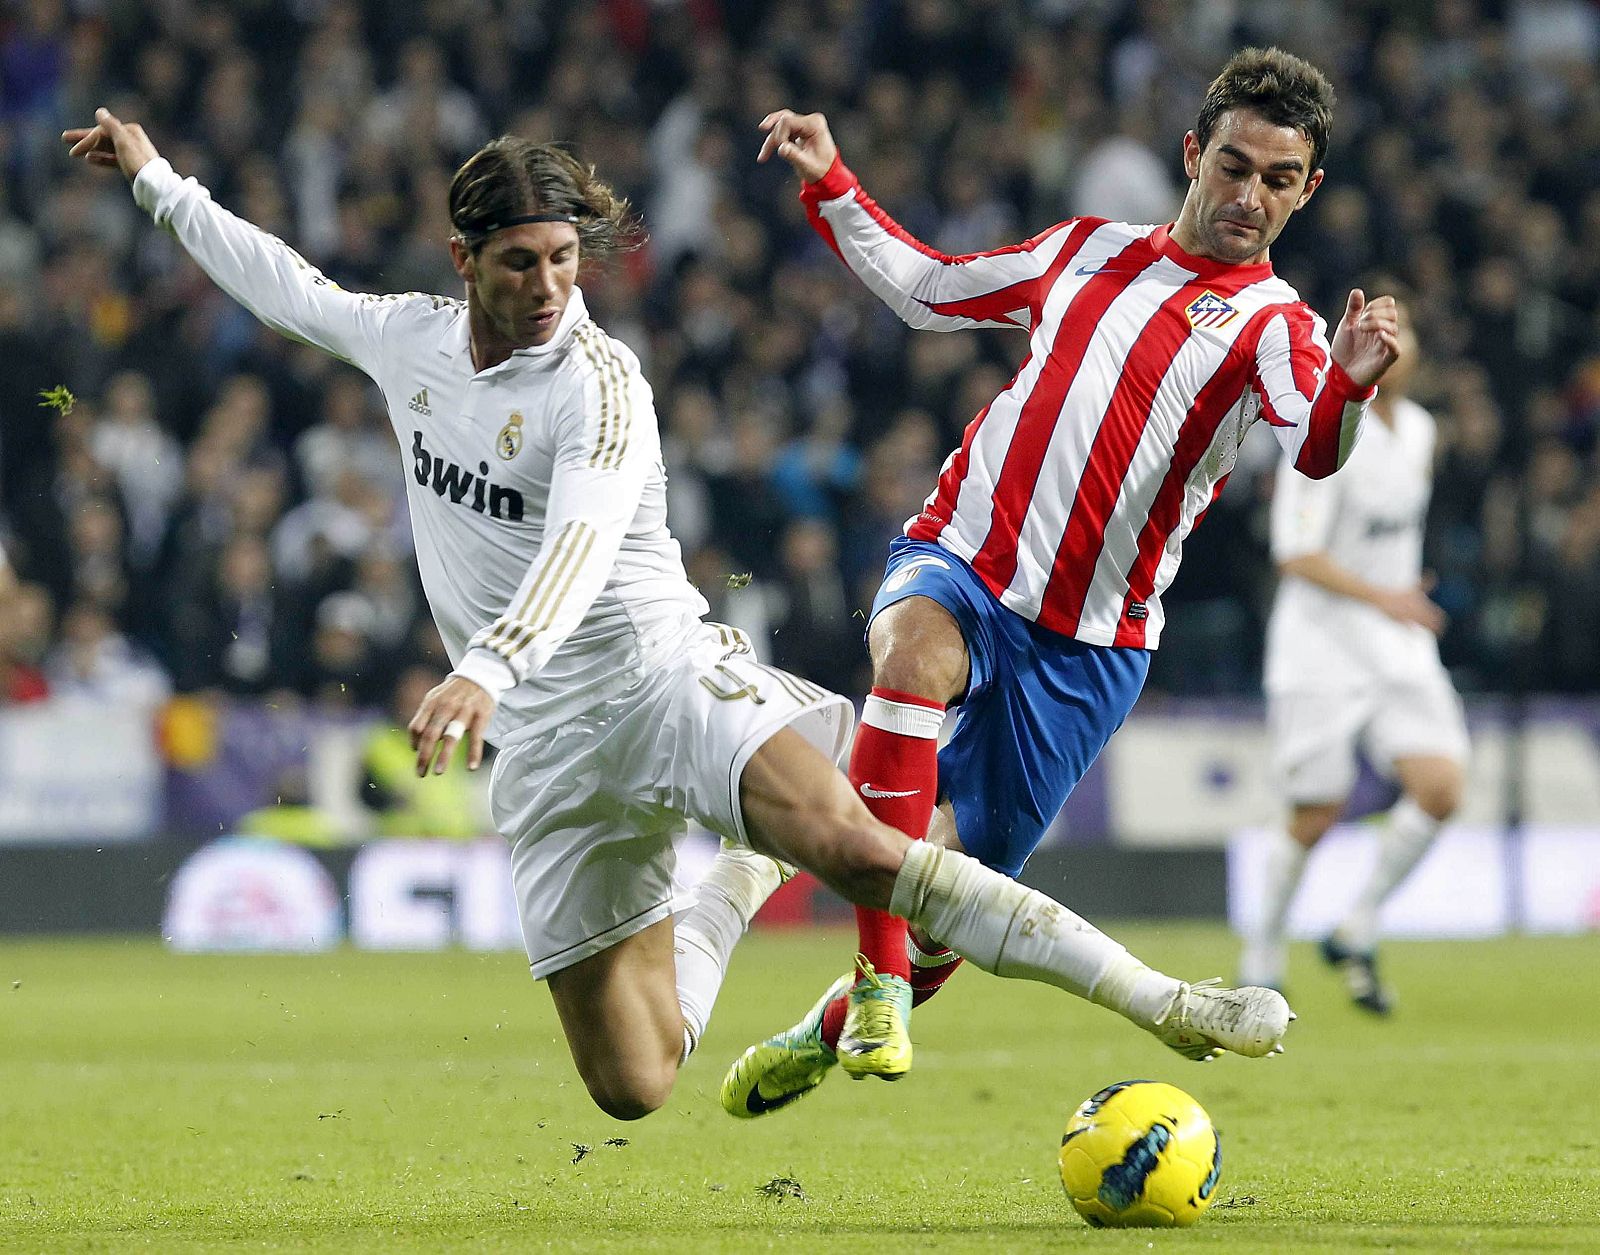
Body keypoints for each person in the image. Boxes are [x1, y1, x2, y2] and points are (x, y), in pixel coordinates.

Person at [66, 106, 1294, 1123]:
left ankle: (1170, 1004)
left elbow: (580, 539)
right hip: (548, 753)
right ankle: (731, 881)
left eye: (565, 259)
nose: (551, 287)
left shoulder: (603, 386)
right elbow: (286, 286)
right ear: (464, 262)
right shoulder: (411, 345)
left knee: (875, 854)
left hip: (663, 684)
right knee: (636, 1084)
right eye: (520, 263)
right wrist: (157, 181)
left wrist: (486, 665)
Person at [723, 46, 1400, 1116]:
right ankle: (878, 976)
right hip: (966, 554)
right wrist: (833, 184)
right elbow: (928, 290)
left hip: (1090, 640)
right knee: (910, 651)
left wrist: (1352, 390)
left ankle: (833, 1025)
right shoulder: (1082, 250)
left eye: (1278, 181)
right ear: (1191, 154)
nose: (1249, 197)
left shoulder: (1279, 327)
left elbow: (1312, 447)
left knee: (957, 889)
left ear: (1306, 190)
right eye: (1233, 167)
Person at [1241, 294, 1466, 1013]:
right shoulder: (1325, 427)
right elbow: (1295, 554)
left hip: (1395, 637)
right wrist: (1387, 596)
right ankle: (1263, 954)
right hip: (1321, 645)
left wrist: (1401, 594)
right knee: (1316, 811)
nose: (1396, 348)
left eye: (1404, 334)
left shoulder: (1423, 431)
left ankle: (1358, 922)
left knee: (1442, 785)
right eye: (1379, 334)